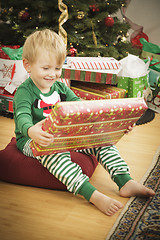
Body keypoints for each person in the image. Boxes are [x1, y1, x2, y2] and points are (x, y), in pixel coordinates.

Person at [13, 29, 155, 216]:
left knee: (103, 141)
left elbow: (79, 107)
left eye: (57, 68)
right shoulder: (25, 91)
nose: (52, 74)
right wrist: (31, 131)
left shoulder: (60, 86)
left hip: (64, 135)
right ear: (28, 65)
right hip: (34, 140)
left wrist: (112, 124)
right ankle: (92, 194)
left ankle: (125, 181)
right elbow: (22, 117)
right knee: (56, 154)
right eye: (46, 68)